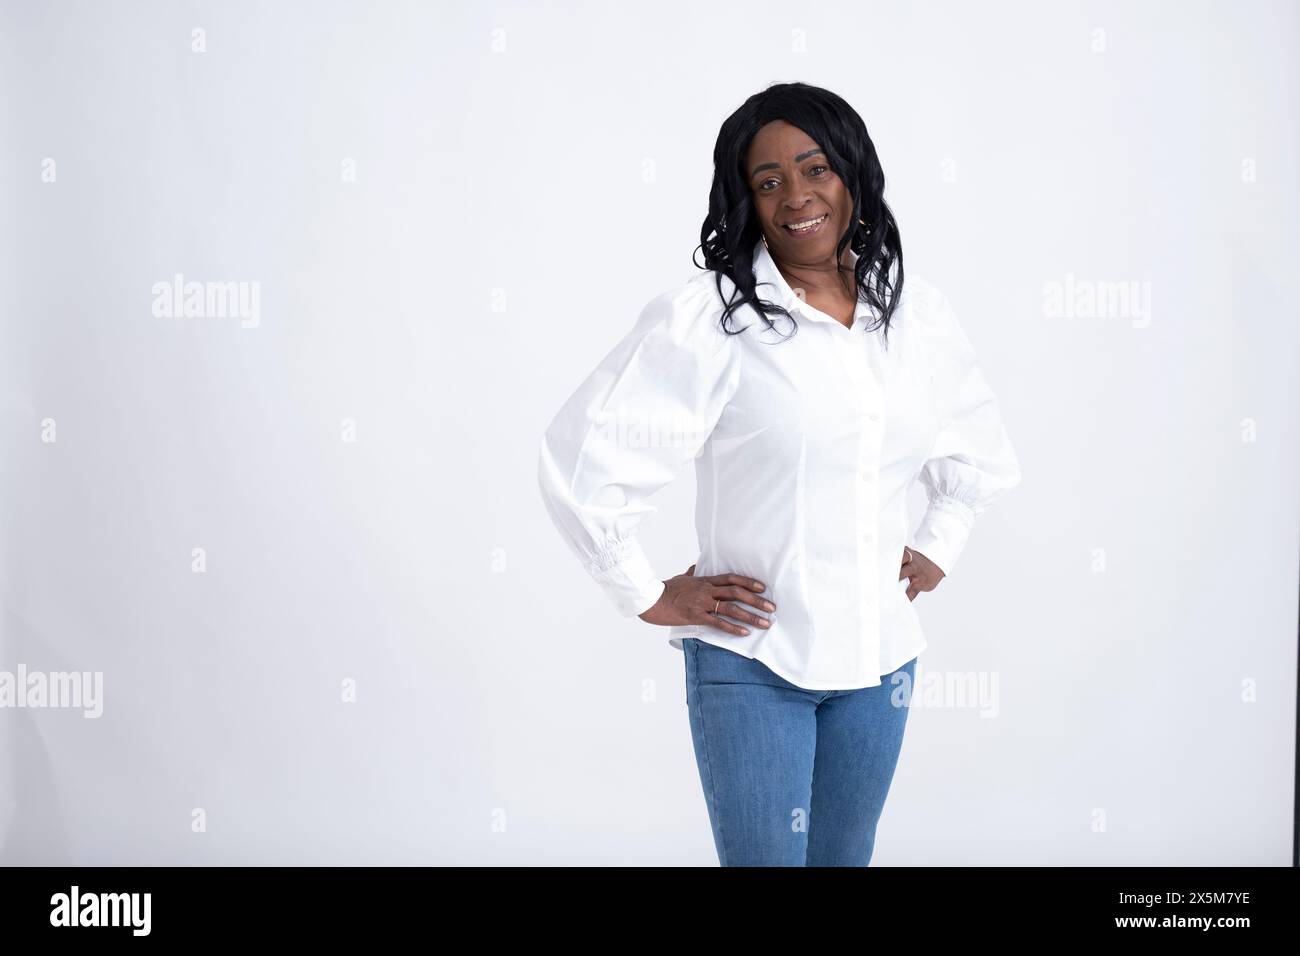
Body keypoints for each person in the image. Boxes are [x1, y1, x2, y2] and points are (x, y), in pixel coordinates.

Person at [536, 82, 1021, 866]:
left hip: (880, 662)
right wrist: (647, 593)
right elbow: (582, 459)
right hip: (753, 663)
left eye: (815, 168)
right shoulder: (712, 321)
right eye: (768, 181)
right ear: (747, 201)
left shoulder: (914, 316)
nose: (797, 196)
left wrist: (942, 536)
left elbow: (976, 440)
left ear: (853, 176)